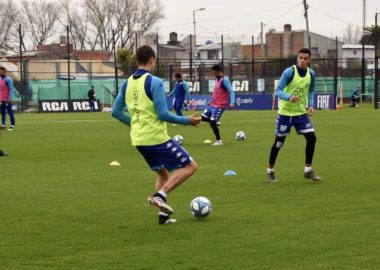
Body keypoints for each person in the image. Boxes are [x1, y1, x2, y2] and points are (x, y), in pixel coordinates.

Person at [112, 45, 201, 225]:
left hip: (139, 140)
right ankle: (160, 195)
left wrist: (136, 124)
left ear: (137, 60)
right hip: (155, 138)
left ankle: (163, 215)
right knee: (191, 166)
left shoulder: (127, 82)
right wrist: (187, 121)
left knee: (162, 173)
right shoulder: (155, 82)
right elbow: (162, 114)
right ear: (152, 60)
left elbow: (116, 111)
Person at [266, 48, 321, 183]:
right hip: (285, 114)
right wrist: (289, 97)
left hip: (300, 114)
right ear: (297, 58)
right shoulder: (289, 72)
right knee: (279, 143)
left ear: (309, 60)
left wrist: (311, 104)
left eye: (305, 58)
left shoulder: (311, 74)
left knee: (312, 138)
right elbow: (278, 91)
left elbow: (311, 90)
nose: (303, 61)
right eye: (301, 58)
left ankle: (308, 171)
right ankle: (270, 171)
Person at [201, 64, 235, 146]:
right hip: (213, 105)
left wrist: (232, 102)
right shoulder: (217, 80)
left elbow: (231, 91)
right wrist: (211, 101)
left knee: (212, 122)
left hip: (220, 106)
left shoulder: (225, 80)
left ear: (219, 72)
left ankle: (219, 141)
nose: (214, 75)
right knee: (203, 117)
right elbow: (216, 92)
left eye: (214, 73)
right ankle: (215, 121)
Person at [0, 66, 15, 131]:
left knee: (10, 112)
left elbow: (11, 89)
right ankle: (3, 125)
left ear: (4, 71)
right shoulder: (0, 79)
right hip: (1, 99)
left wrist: (10, 98)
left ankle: (12, 125)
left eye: (0, 71)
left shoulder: (8, 79)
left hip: (7, 99)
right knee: (2, 112)